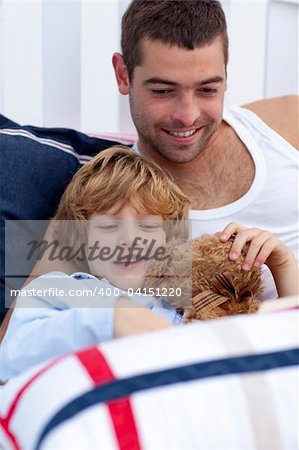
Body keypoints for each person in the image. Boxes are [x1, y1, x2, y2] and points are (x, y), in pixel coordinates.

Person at [0, 0, 298, 337]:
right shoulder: (116, 196)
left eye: (207, 89)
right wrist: (110, 314)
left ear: (226, 73)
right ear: (123, 74)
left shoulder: (284, 124)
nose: (187, 115)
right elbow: (15, 340)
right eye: (162, 90)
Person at [0, 146, 297, 382]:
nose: (130, 239)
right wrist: (112, 318)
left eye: (147, 227)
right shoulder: (61, 289)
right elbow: (12, 356)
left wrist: (283, 266)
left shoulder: (193, 303)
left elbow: (280, 347)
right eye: (109, 227)